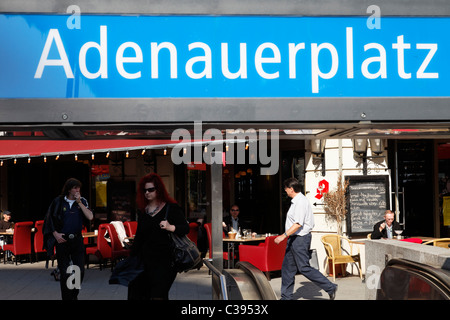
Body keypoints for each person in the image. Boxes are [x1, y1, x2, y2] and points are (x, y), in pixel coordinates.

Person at [275, 177, 337, 300]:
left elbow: (298, 224)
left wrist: (283, 236)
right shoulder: (296, 201)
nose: (285, 191)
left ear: (291, 189)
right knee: (287, 268)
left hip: (300, 239)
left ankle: (330, 287)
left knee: (303, 267)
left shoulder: (300, 202)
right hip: (294, 239)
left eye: (286, 188)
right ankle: (286, 297)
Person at [129, 173, 189, 300]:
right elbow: (139, 237)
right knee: (138, 293)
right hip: (145, 261)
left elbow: (185, 228)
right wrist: (131, 259)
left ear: (158, 189)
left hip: (165, 261)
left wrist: (170, 227)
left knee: (159, 295)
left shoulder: (171, 208)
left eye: (150, 189)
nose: (147, 193)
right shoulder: (143, 212)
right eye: (144, 190)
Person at [43, 178, 93, 300]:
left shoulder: (82, 201)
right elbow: (49, 220)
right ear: (69, 189)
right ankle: (67, 298)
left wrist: (79, 202)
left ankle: (73, 296)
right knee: (65, 273)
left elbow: (90, 217)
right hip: (63, 240)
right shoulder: (59, 202)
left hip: (77, 239)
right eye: (75, 188)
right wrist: (56, 234)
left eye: (79, 188)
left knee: (79, 270)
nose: (77, 190)